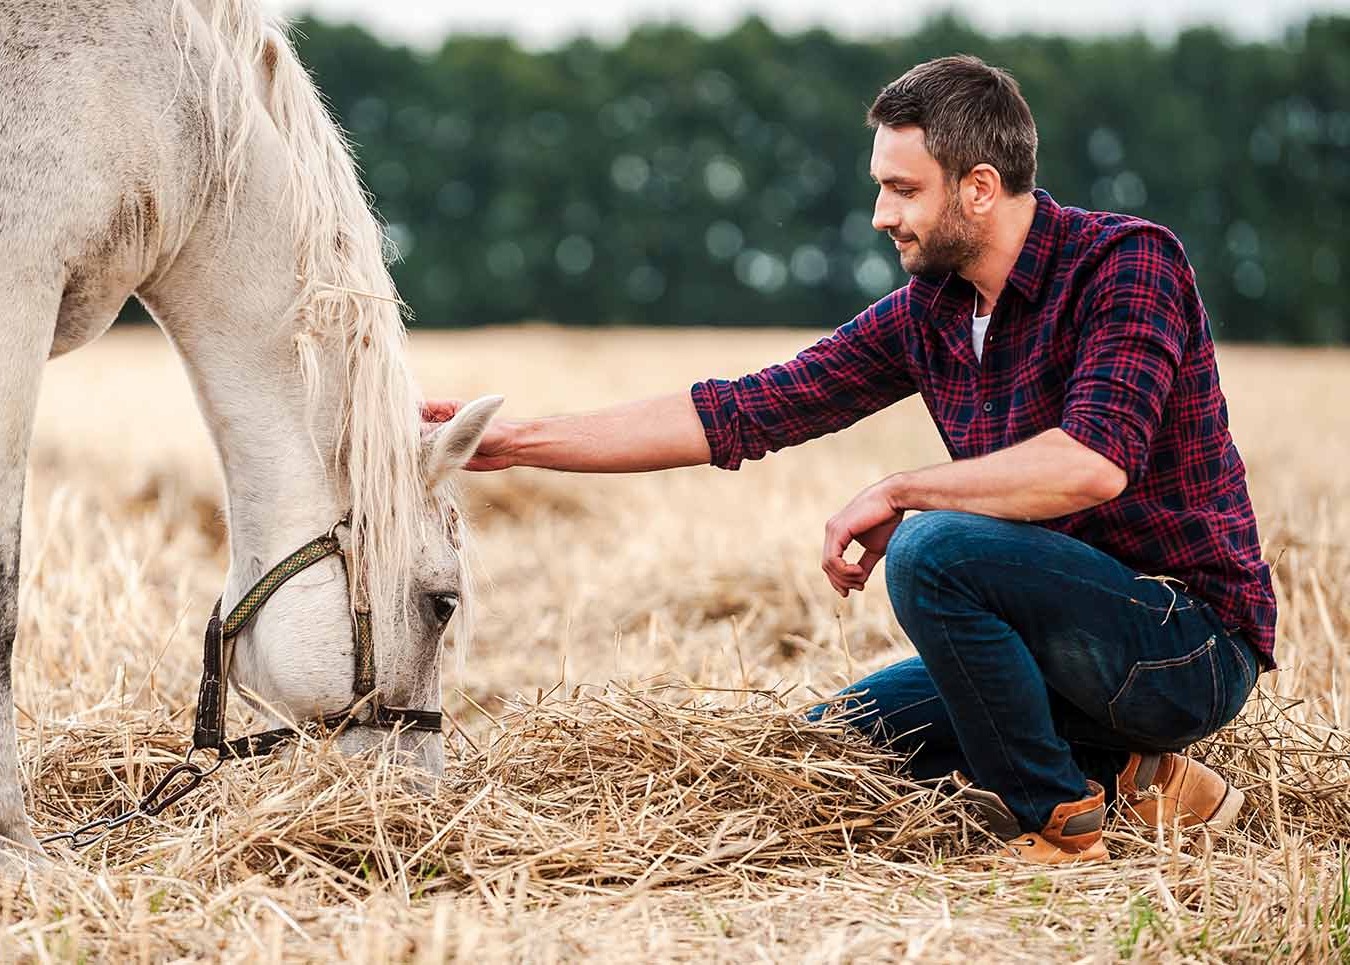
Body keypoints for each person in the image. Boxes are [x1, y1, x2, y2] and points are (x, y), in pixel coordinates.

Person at [422, 55, 1274, 865]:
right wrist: (509, 440)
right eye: (880, 187)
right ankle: (1139, 777)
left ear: (980, 188)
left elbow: (1090, 464)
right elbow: (739, 410)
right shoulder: (928, 313)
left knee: (935, 549)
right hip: (1058, 648)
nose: (881, 215)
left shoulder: (1126, 264)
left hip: (1182, 646)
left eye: (903, 190)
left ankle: (1059, 819)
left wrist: (905, 490)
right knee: (841, 737)